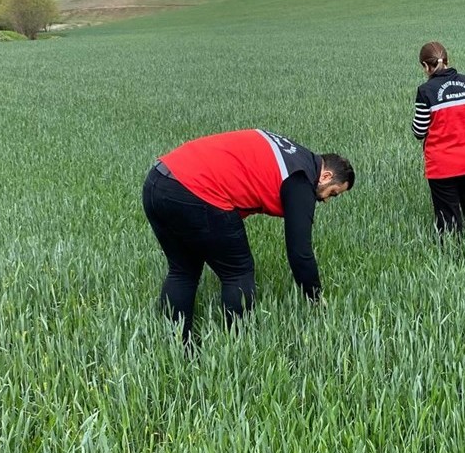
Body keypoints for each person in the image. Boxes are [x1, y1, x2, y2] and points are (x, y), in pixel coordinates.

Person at [142, 128, 354, 342]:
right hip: (197, 191)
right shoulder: (301, 179)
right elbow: (300, 252)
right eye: (333, 193)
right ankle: (236, 346)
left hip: (158, 181)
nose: (326, 200)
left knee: (183, 271)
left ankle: (177, 347)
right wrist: (315, 297)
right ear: (326, 176)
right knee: (237, 272)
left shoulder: (293, 155)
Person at [411, 41, 465, 235]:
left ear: (425, 66)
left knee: (448, 217)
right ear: (447, 60)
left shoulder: (426, 91)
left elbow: (419, 131)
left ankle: (452, 258)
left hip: (443, 165)